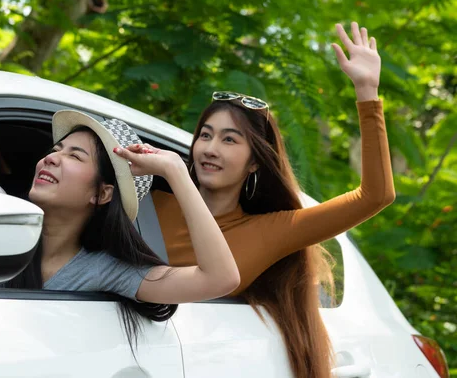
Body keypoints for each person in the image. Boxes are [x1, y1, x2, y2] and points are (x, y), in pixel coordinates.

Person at [0, 0, 240, 347]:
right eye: (55, 150)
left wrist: (175, 172)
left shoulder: (109, 271)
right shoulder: (3, 224)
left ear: (102, 193)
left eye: (75, 156)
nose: (51, 158)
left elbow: (220, 278)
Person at [134, 22, 395, 378]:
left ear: (255, 160)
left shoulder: (273, 230)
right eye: (205, 135)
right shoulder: (147, 203)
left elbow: (375, 196)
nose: (210, 149)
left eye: (229, 140)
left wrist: (367, 92)